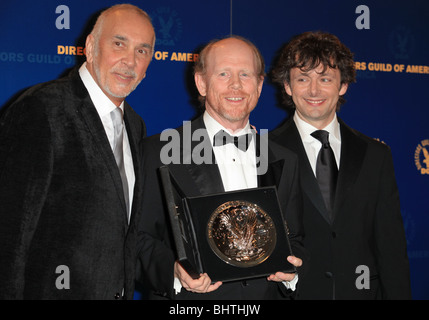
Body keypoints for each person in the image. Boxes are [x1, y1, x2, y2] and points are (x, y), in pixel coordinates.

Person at [0, 4, 155, 299]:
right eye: (119, 44)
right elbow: (9, 236)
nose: (130, 61)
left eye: (142, 51)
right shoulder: (41, 109)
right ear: (91, 46)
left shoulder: (135, 125)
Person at [136, 36, 306, 300]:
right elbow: (138, 239)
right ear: (201, 83)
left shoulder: (285, 158)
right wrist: (174, 271)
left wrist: (292, 272)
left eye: (245, 75)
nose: (235, 85)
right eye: (223, 73)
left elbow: (295, 236)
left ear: (260, 86)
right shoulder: (160, 152)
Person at [270, 31, 411, 299]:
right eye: (302, 79)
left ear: (343, 85)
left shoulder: (375, 155)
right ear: (287, 86)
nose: (314, 90)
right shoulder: (263, 153)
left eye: (325, 79)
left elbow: (391, 248)